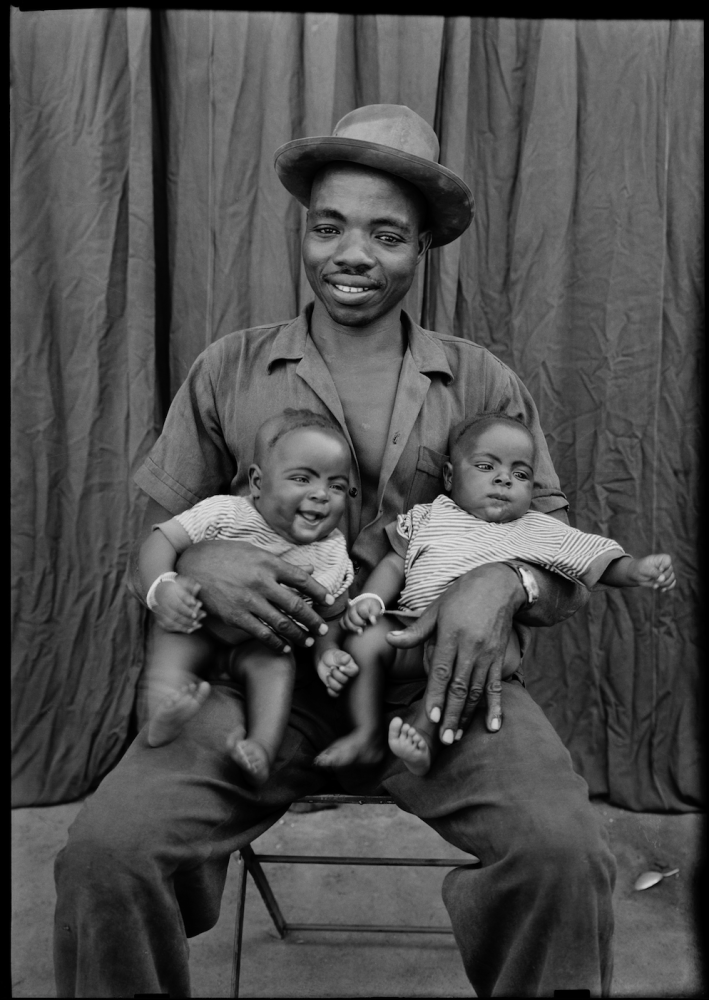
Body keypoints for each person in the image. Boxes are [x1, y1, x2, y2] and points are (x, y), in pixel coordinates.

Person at [54, 104, 618, 998]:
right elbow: (152, 550)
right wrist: (194, 566)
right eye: (329, 227)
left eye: (385, 235)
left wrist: (508, 579)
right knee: (105, 854)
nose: (351, 254)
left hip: (439, 692)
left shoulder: (481, 381)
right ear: (304, 231)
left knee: (564, 856)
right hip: (256, 686)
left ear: (423, 246)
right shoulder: (229, 369)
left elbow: (563, 567)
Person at [332, 410, 675, 776]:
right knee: (363, 640)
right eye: (485, 466)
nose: (503, 479)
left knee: (459, 658)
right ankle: (366, 733)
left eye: (520, 474)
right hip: (414, 626)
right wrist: (371, 599)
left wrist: (635, 570)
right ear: (449, 476)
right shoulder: (429, 516)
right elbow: (394, 563)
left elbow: (593, 558)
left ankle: (424, 740)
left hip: (488, 639)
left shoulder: (537, 528)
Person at [138, 408, 361, 784]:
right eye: (302, 478)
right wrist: (162, 586)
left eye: (337, 486)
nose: (321, 495)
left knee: (277, 666)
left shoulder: (332, 551)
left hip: (261, 644)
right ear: (258, 482)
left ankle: (260, 748)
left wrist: (327, 654)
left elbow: (331, 615)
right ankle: (163, 716)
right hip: (200, 624)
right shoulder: (225, 513)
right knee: (172, 639)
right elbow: (161, 539)